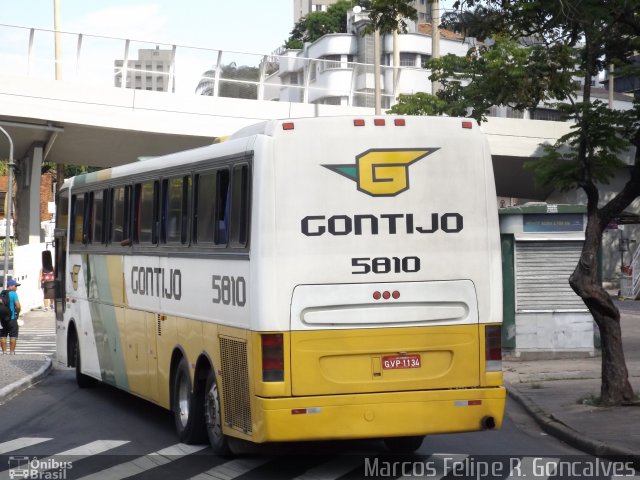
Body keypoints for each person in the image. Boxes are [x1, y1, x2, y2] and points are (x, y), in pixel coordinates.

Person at [0, 279, 21, 355]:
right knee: (13, 335)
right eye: (15, 286)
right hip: (12, 318)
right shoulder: (13, 294)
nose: (16, 288)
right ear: (10, 286)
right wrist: (17, 313)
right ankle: (12, 352)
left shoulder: (1, 293)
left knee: (3, 335)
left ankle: (4, 352)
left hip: (2, 319)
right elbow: (18, 306)